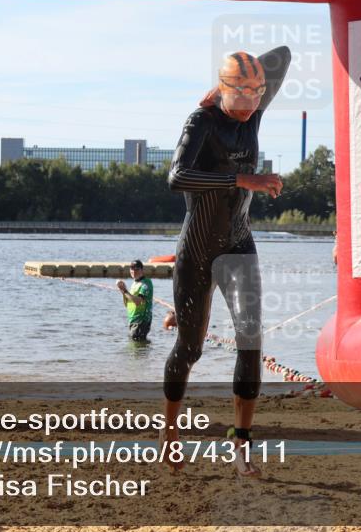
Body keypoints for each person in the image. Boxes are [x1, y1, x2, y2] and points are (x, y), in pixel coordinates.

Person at [163, 46, 290, 476]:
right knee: (190, 348)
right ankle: (169, 432)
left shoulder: (253, 114)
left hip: (238, 242)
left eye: (258, 93)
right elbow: (177, 177)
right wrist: (242, 178)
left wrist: (243, 86)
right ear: (225, 89)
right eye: (243, 94)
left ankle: (240, 443)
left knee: (251, 340)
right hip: (198, 248)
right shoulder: (201, 121)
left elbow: (282, 57)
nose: (252, 103)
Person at [116, 259, 153, 342]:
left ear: (142, 270)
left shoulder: (146, 283)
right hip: (132, 320)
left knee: (136, 345)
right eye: (132, 269)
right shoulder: (134, 284)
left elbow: (138, 301)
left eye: (137, 269)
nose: (134, 271)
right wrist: (123, 290)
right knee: (135, 346)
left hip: (141, 321)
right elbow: (127, 304)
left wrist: (125, 291)